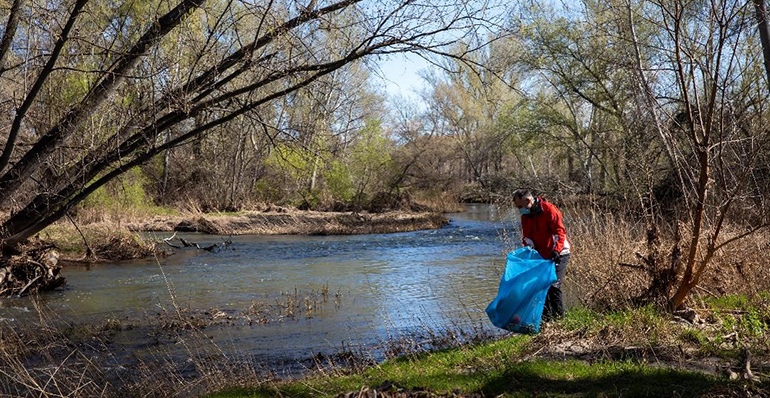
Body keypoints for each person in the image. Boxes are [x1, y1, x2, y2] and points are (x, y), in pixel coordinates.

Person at [512, 189, 571, 321]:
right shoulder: (525, 216)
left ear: (528, 201)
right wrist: (529, 250)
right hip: (542, 256)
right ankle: (546, 321)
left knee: (553, 285)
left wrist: (556, 250)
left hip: (560, 253)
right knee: (540, 287)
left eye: (520, 206)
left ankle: (560, 320)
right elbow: (527, 236)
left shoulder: (549, 210)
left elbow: (559, 232)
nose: (519, 210)